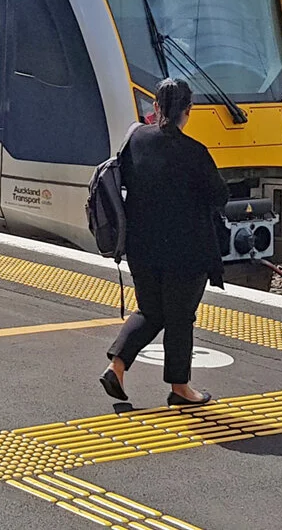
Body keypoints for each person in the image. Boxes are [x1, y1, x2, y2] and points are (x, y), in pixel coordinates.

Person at [100, 78, 230, 408]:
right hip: (186, 252)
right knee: (180, 317)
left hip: (141, 247)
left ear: (155, 107)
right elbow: (219, 196)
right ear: (189, 111)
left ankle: (117, 365)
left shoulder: (136, 140)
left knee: (151, 310)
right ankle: (180, 388)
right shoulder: (195, 153)